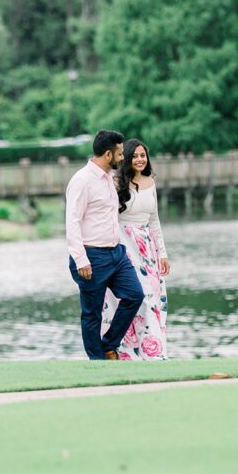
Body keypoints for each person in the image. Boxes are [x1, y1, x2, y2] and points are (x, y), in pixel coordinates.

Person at [66, 130, 144, 360]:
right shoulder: (82, 180)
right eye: (120, 154)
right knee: (92, 314)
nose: (123, 158)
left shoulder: (109, 178)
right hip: (92, 256)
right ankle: (97, 361)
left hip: (116, 254)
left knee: (134, 295)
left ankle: (108, 345)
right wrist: (81, 259)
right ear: (108, 154)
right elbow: (72, 222)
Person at [101, 139, 171, 360]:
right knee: (131, 298)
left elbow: (155, 220)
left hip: (147, 248)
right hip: (123, 245)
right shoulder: (115, 183)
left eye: (143, 155)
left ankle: (153, 352)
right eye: (135, 156)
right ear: (127, 158)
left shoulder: (150, 182)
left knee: (151, 298)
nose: (140, 159)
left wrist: (163, 253)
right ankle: (123, 351)